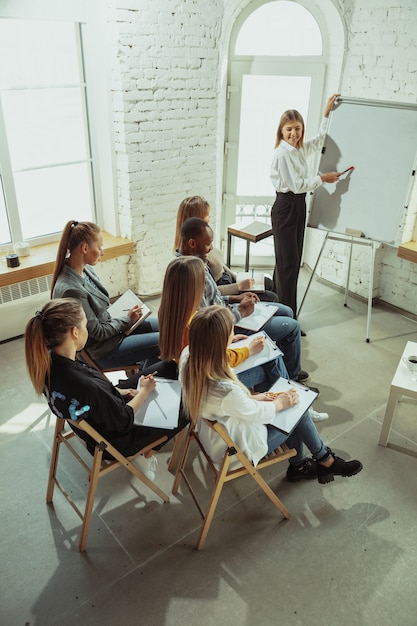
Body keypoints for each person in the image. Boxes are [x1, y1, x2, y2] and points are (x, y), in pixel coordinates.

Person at [180, 306, 362, 483]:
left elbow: (227, 405)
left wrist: (257, 398)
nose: (233, 333)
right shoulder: (226, 391)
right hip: (238, 449)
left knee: (288, 398)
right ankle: (323, 461)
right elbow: (254, 412)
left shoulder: (188, 357)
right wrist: (280, 404)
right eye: (230, 332)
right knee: (297, 408)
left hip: (217, 437)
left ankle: (305, 464)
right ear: (219, 344)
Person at [24, 298, 187, 476]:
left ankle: (152, 431)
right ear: (75, 332)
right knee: (191, 405)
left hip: (101, 418)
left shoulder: (51, 363)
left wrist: (125, 392)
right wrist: (144, 392)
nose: (88, 330)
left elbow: (99, 395)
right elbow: (124, 420)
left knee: (167, 367)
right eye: (85, 325)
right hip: (119, 440)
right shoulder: (83, 384)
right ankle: (151, 449)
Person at [177, 217, 308, 384]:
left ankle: (288, 372)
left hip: (227, 312)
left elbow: (211, 298)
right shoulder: (189, 272)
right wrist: (241, 312)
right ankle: (292, 380)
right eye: (208, 244)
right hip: (227, 322)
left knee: (286, 311)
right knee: (291, 328)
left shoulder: (197, 262)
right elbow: (208, 323)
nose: (210, 249)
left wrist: (234, 297)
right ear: (192, 243)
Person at [157, 255, 285, 392]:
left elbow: (201, 352)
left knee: (270, 363)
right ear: (194, 288)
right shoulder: (194, 322)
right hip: (210, 387)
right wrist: (249, 350)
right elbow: (221, 360)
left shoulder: (168, 311)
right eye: (203, 283)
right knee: (270, 357)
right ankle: (291, 401)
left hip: (192, 377)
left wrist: (224, 340)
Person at [270, 93, 345, 319]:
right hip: (286, 207)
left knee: (288, 262)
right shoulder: (282, 155)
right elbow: (296, 185)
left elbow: (320, 139)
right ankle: (288, 318)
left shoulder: (298, 150)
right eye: (289, 129)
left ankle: (278, 312)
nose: (294, 134)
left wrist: (326, 112)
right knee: (288, 265)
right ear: (281, 131)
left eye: (298, 128)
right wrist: (323, 179)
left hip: (297, 206)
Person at [50, 220, 160, 370]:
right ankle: (138, 385)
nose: (102, 252)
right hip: (104, 349)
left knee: (165, 327)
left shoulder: (84, 269)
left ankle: (145, 369)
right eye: (100, 247)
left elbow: (102, 308)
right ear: (85, 248)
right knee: (164, 341)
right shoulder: (71, 290)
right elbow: (97, 333)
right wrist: (127, 319)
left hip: (113, 327)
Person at [174, 195, 278, 302]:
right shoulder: (196, 255)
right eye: (207, 215)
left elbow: (220, 265)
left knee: (268, 282)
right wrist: (239, 286)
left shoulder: (204, 240)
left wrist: (237, 276)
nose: (209, 218)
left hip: (231, 279)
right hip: (228, 288)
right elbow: (211, 292)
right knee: (272, 297)